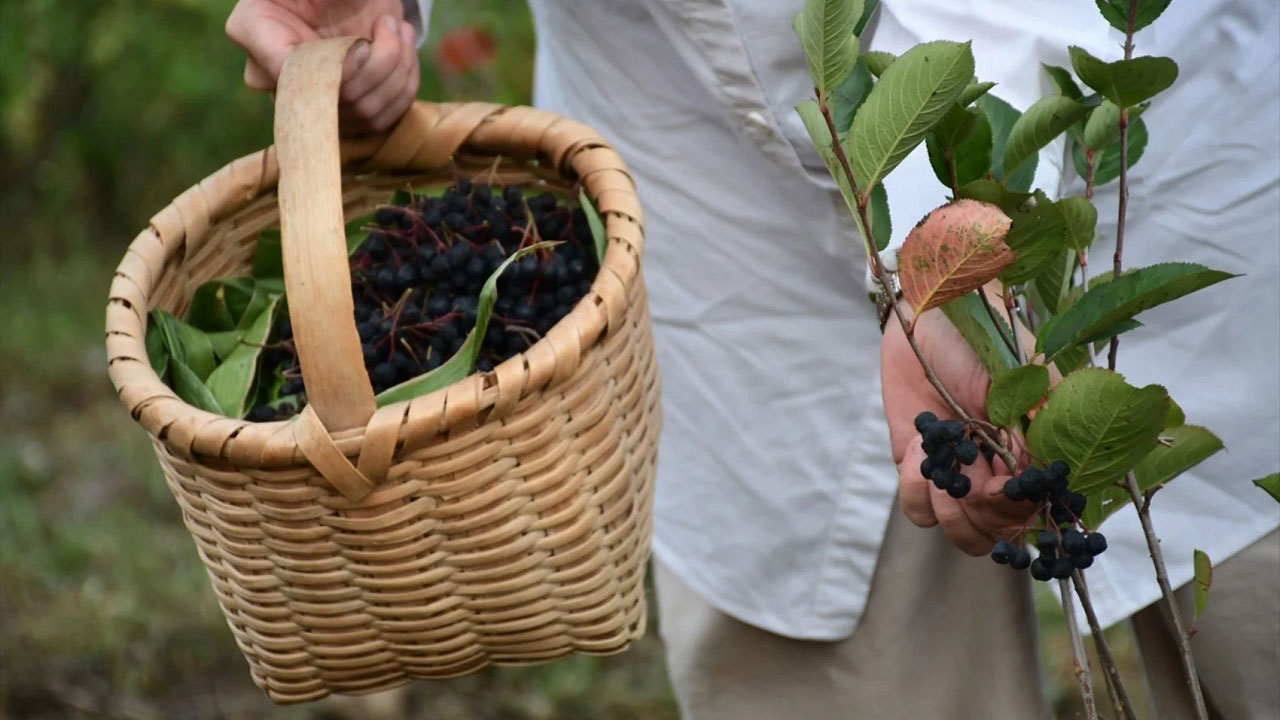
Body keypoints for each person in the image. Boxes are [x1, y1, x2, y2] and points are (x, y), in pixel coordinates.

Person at [226, 1, 1280, 718]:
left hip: (1146, 132)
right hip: (705, 173)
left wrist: (950, 250)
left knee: (1244, 624)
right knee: (823, 661)